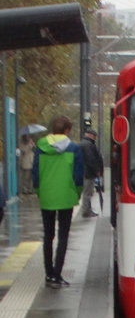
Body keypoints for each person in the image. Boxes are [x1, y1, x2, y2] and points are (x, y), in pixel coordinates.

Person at [33, 116, 83, 288]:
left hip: (47, 196)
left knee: (48, 235)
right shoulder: (74, 148)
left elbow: (35, 173)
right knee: (63, 235)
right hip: (66, 196)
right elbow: (78, 176)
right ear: (67, 130)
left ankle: (48, 273)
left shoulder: (40, 147)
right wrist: (77, 193)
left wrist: (39, 192)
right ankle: (57, 274)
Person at [79, 128, 104, 218]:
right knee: (87, 192)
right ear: (90, 135)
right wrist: (97, 170)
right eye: (94, 136)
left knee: (87, 192)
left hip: (85, 172)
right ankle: (86, 210)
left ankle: (87, 209)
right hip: (88, 173)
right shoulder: (88, 145)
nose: (95, 138)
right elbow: (91, 159)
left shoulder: (84, 144)